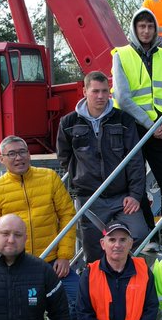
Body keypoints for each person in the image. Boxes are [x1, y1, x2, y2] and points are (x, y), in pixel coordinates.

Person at [57, 71, 148, 262]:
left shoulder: (123, 120)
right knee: (93, 253)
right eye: (95, 91)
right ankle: (98, 286)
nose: (100, 96)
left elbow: (135, 160)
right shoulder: (68, 123)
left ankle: (121, 274)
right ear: (84, 92)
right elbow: (64, 157)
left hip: (122, 197)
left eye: (105, 91)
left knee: (139, 233)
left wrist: (135, 195)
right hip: (90, 199)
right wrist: (78, 179)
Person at [111, 8, 162, 249]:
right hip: (134, 129)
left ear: (155, 30)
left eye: (150, 27)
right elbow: (122, 97)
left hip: (160, 130)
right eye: (141, 26)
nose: (146, 30)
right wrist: (152, 124)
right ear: (134, 28)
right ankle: (150, 233)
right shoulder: (121, 55)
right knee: (137, 186)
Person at [0, 135, 79, 308]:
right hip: (16, 265)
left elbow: (67, 215)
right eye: (11, 154)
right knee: (23, 310)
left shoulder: (49, 178)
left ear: (29, 154)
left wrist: (64, 256)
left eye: (22, 152)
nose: (18, 158)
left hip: (53, 263)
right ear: (1, 159)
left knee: (81, 299)